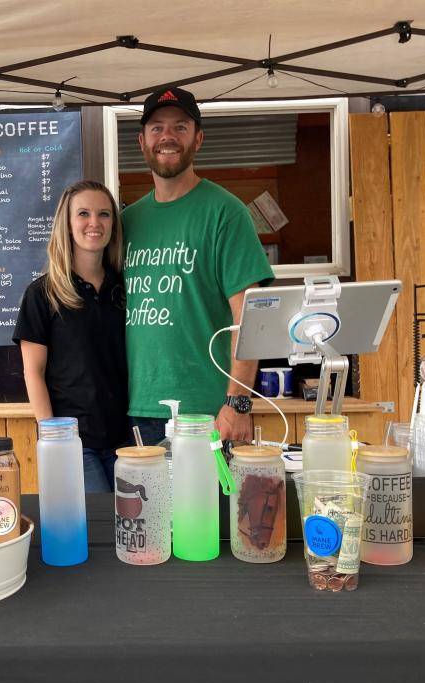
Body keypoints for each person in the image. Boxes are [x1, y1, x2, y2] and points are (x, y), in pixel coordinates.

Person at [123, 86, 275, 445]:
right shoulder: (126, 221)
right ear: (142, 141)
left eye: (180, 126)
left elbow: (249, 315)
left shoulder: (226, 213)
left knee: (208, 505)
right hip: (136, 410)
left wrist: (238, 403)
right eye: (157, 127)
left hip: (206, 412)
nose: (168, 137)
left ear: (198, 139)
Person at [13, 180, 128, 492]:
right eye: (83, 214)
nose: (95, 223)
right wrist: (55, 439)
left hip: (127, 438)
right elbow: (33, 373)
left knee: (134, 531)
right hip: (75, 442)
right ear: (67, 223)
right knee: (98, 529)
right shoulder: (42, 294)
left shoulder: (127, 288)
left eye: (104, 214)